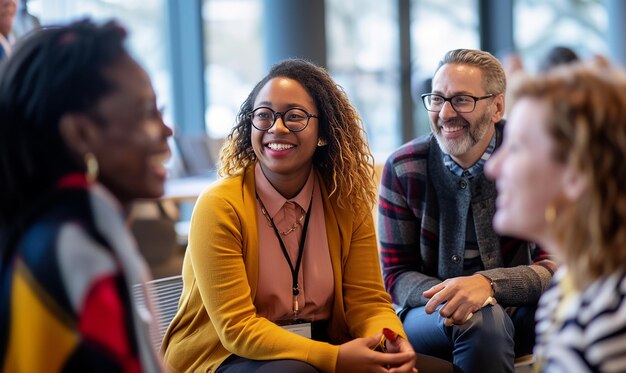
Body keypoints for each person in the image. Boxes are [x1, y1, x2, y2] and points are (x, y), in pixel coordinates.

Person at [161, 59, 419, 373]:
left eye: (294, 116)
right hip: (225, 355)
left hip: (323, 347)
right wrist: (334, 359)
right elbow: (237, 328)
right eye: (264, 116)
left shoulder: (346, 201)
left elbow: (368, 301)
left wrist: (389, 342)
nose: (277, 127)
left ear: (323, 131)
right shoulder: (219, 206)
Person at [0, 19, 171, 372]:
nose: (166, 130)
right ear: (80, 134)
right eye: (146, 114)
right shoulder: (81, 251)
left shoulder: (50, 230)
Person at [378, 48, 556, 372]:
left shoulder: (530, 156)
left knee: (569, 305)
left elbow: (557, 262)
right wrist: (456, 294)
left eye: (461, 100)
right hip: (429, 313)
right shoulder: (404, 167)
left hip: (521, 307)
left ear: (497, 107)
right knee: (483, 322)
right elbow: (396, 276)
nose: (445, 113)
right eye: (437, 98)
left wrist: (489, 285)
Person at [485, 63, 626, 372]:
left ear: (576, 173)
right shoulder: (570, 286)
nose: (493, 168)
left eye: (517, 147)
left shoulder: (612, 316)